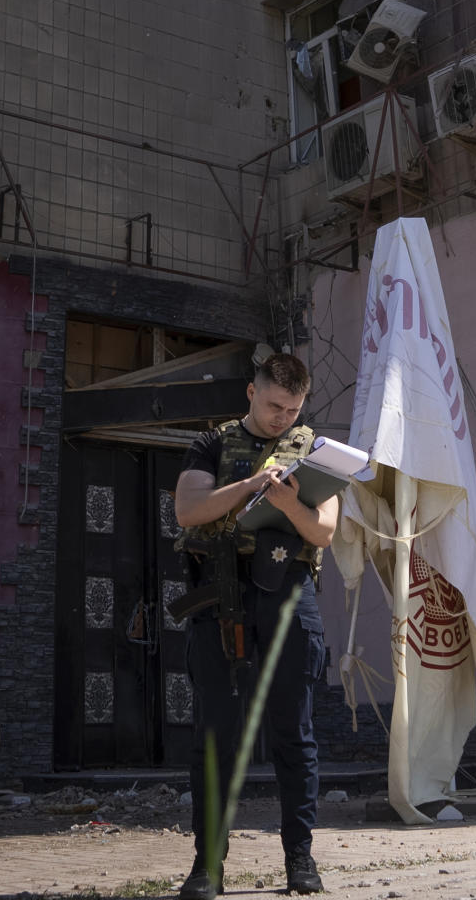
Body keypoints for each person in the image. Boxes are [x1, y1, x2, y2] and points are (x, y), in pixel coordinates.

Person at [174, 352, 338, 900]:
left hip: (289, 593)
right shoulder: (213, 442)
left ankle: (301, 860)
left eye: (292, 408)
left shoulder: (314, 448)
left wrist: (289, 504)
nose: (281, 418)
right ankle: (207, 866)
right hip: (223, 591)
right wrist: (250, 486)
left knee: (295, 732)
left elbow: (324, 533)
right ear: (251, 392)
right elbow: (188, 509)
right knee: (215, 732)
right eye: (273, 406)